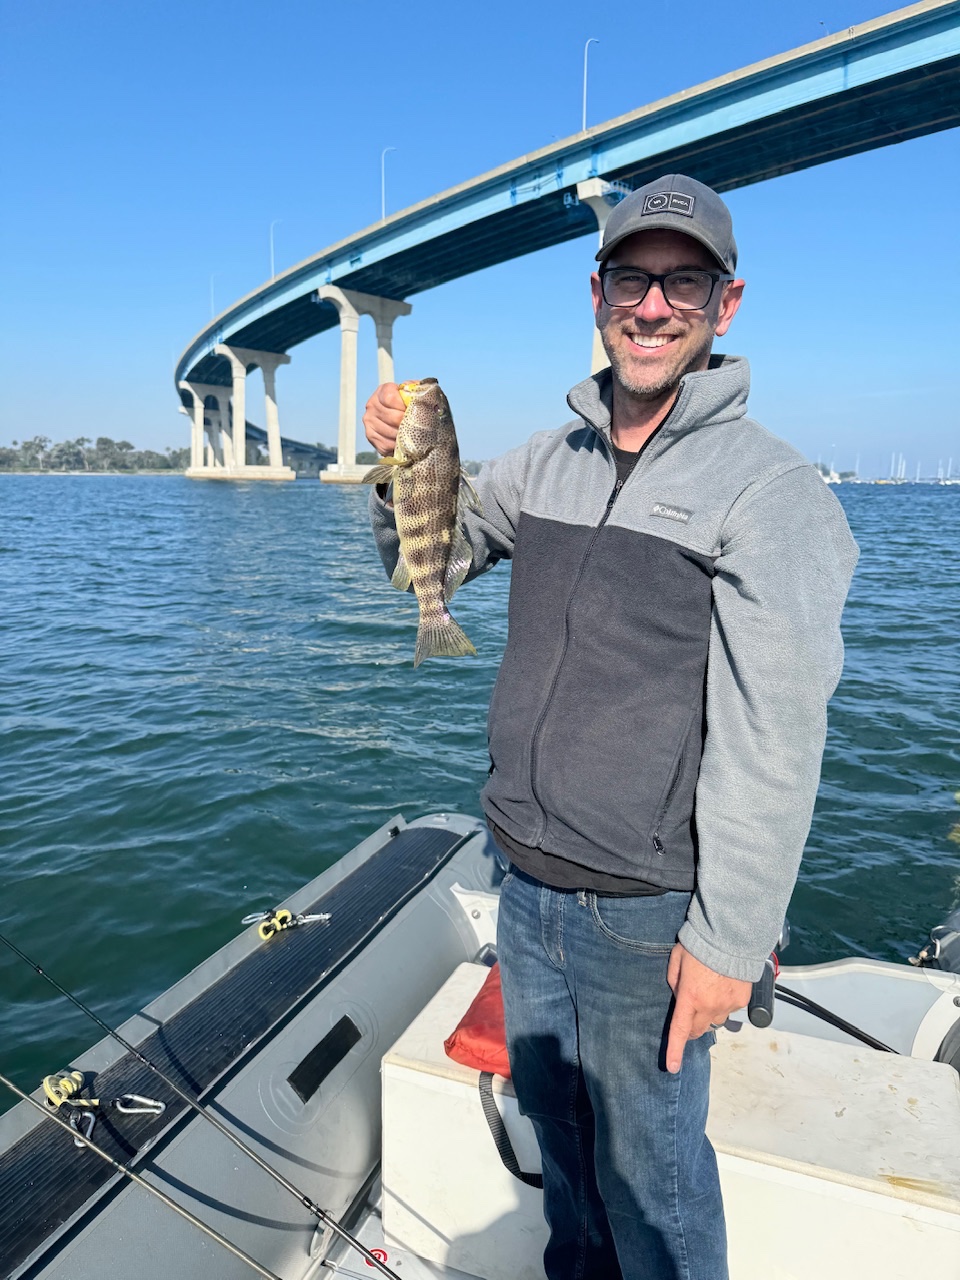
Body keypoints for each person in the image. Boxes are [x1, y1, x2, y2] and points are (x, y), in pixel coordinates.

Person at [364, 173, 858, 1280]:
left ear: (727, 304)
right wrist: (395, 470)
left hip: (646, 913)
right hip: (525, 882)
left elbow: (778, 735)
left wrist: (730, 943)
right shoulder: (543, 462)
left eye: (686, 283)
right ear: (597, 294)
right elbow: (427, 559)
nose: (654, 306)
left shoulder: (772, 492)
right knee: (564, 1157)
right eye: (632, 279)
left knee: (655, 1186)